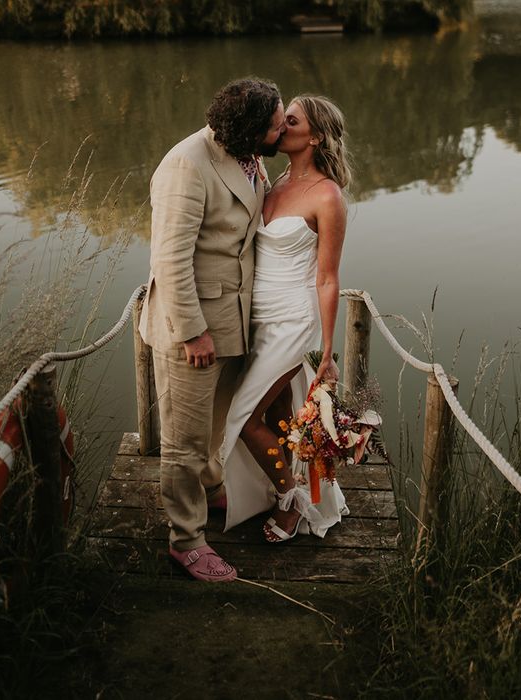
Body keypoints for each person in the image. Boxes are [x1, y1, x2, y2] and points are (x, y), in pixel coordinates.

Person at [138, 78, 286, 582]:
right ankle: (186, 540)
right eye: (274, 124)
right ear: (248, 128)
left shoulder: (249, 157)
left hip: (234, 324)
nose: (281, 129)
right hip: (193, 329)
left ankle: (212, 485)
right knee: (182, 439)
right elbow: (171, 258)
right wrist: (191, 331)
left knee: (217, 425)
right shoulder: (187, 164)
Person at [220, 95, 352, 542]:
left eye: (290, 121)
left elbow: (329, 279)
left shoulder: (328, 196)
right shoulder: (268, 182)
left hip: (295, 321)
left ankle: (290, 497)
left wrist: (328, 350)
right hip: (257, 318)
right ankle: (288, 490)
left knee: (243, 418)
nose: (279, 126)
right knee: (279, 414)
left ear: (314, 136)